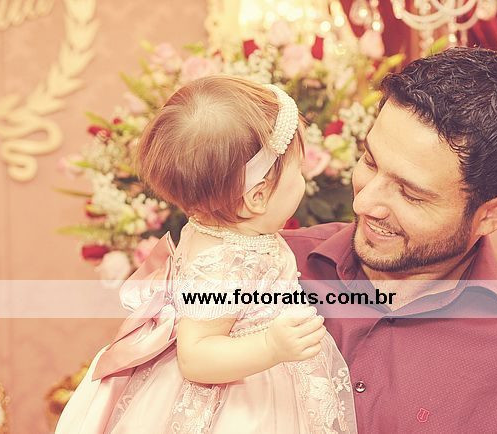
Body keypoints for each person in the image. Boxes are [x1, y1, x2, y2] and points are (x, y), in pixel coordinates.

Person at [282, 47, 497, 433]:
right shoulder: (267, 264)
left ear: (493, 214)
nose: (364, 203)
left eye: (411, 194)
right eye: (370, 162)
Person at [55, 76, 357, 433]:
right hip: (243, 397)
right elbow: (196, 357)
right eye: (299, 171)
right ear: (257, 197)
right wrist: (270, 346)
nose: (303, 180)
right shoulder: (223, 264)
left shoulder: (223, 228)